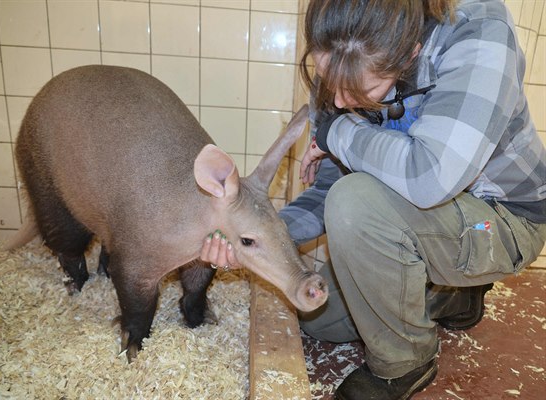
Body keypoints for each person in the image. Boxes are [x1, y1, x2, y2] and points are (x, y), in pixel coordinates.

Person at [201, 0, 546, 399]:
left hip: (502, 220)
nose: (342, 101)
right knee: (319, 318)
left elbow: (427, 176)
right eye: (330, 79)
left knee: (356, 202)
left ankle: (406, 361)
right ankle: (450, 296)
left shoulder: (478, 31)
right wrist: (251, 238)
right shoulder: (343, 72)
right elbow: (329, 192)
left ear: (410, 52)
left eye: (360, 89)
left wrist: (337, 133)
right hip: (426, 223)